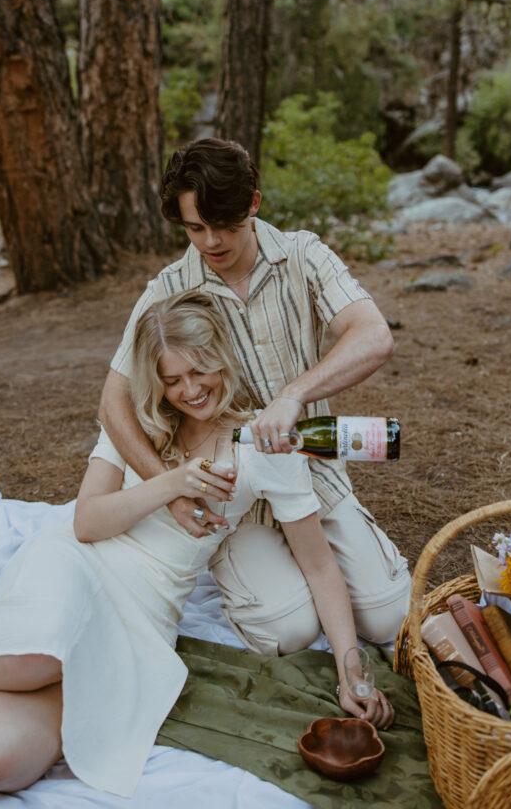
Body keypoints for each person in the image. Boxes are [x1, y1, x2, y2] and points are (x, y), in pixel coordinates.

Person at [0, 293, 393, 795]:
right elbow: (87, 523)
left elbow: (321, 569)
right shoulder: (132, 425)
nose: (190, 389)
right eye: (173, 379)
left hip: (142, 613)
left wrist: (353, 671)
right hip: (75, 569)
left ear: (223, 360)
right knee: (38, 656)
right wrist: (172, 483)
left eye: (200, 370)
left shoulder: (264, 444)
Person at [100, 137, 410, 654]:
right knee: (289, 631)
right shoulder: (168, 288)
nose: (211, 241)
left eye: (227, 225)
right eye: (195, 228)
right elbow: (112, 401)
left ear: (254, 204)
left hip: (314, 467)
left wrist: (295, 394)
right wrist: (170, 487)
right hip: (233, 496)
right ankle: (266, 570)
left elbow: (374, 336)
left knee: (387, 619)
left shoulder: (303, 255)